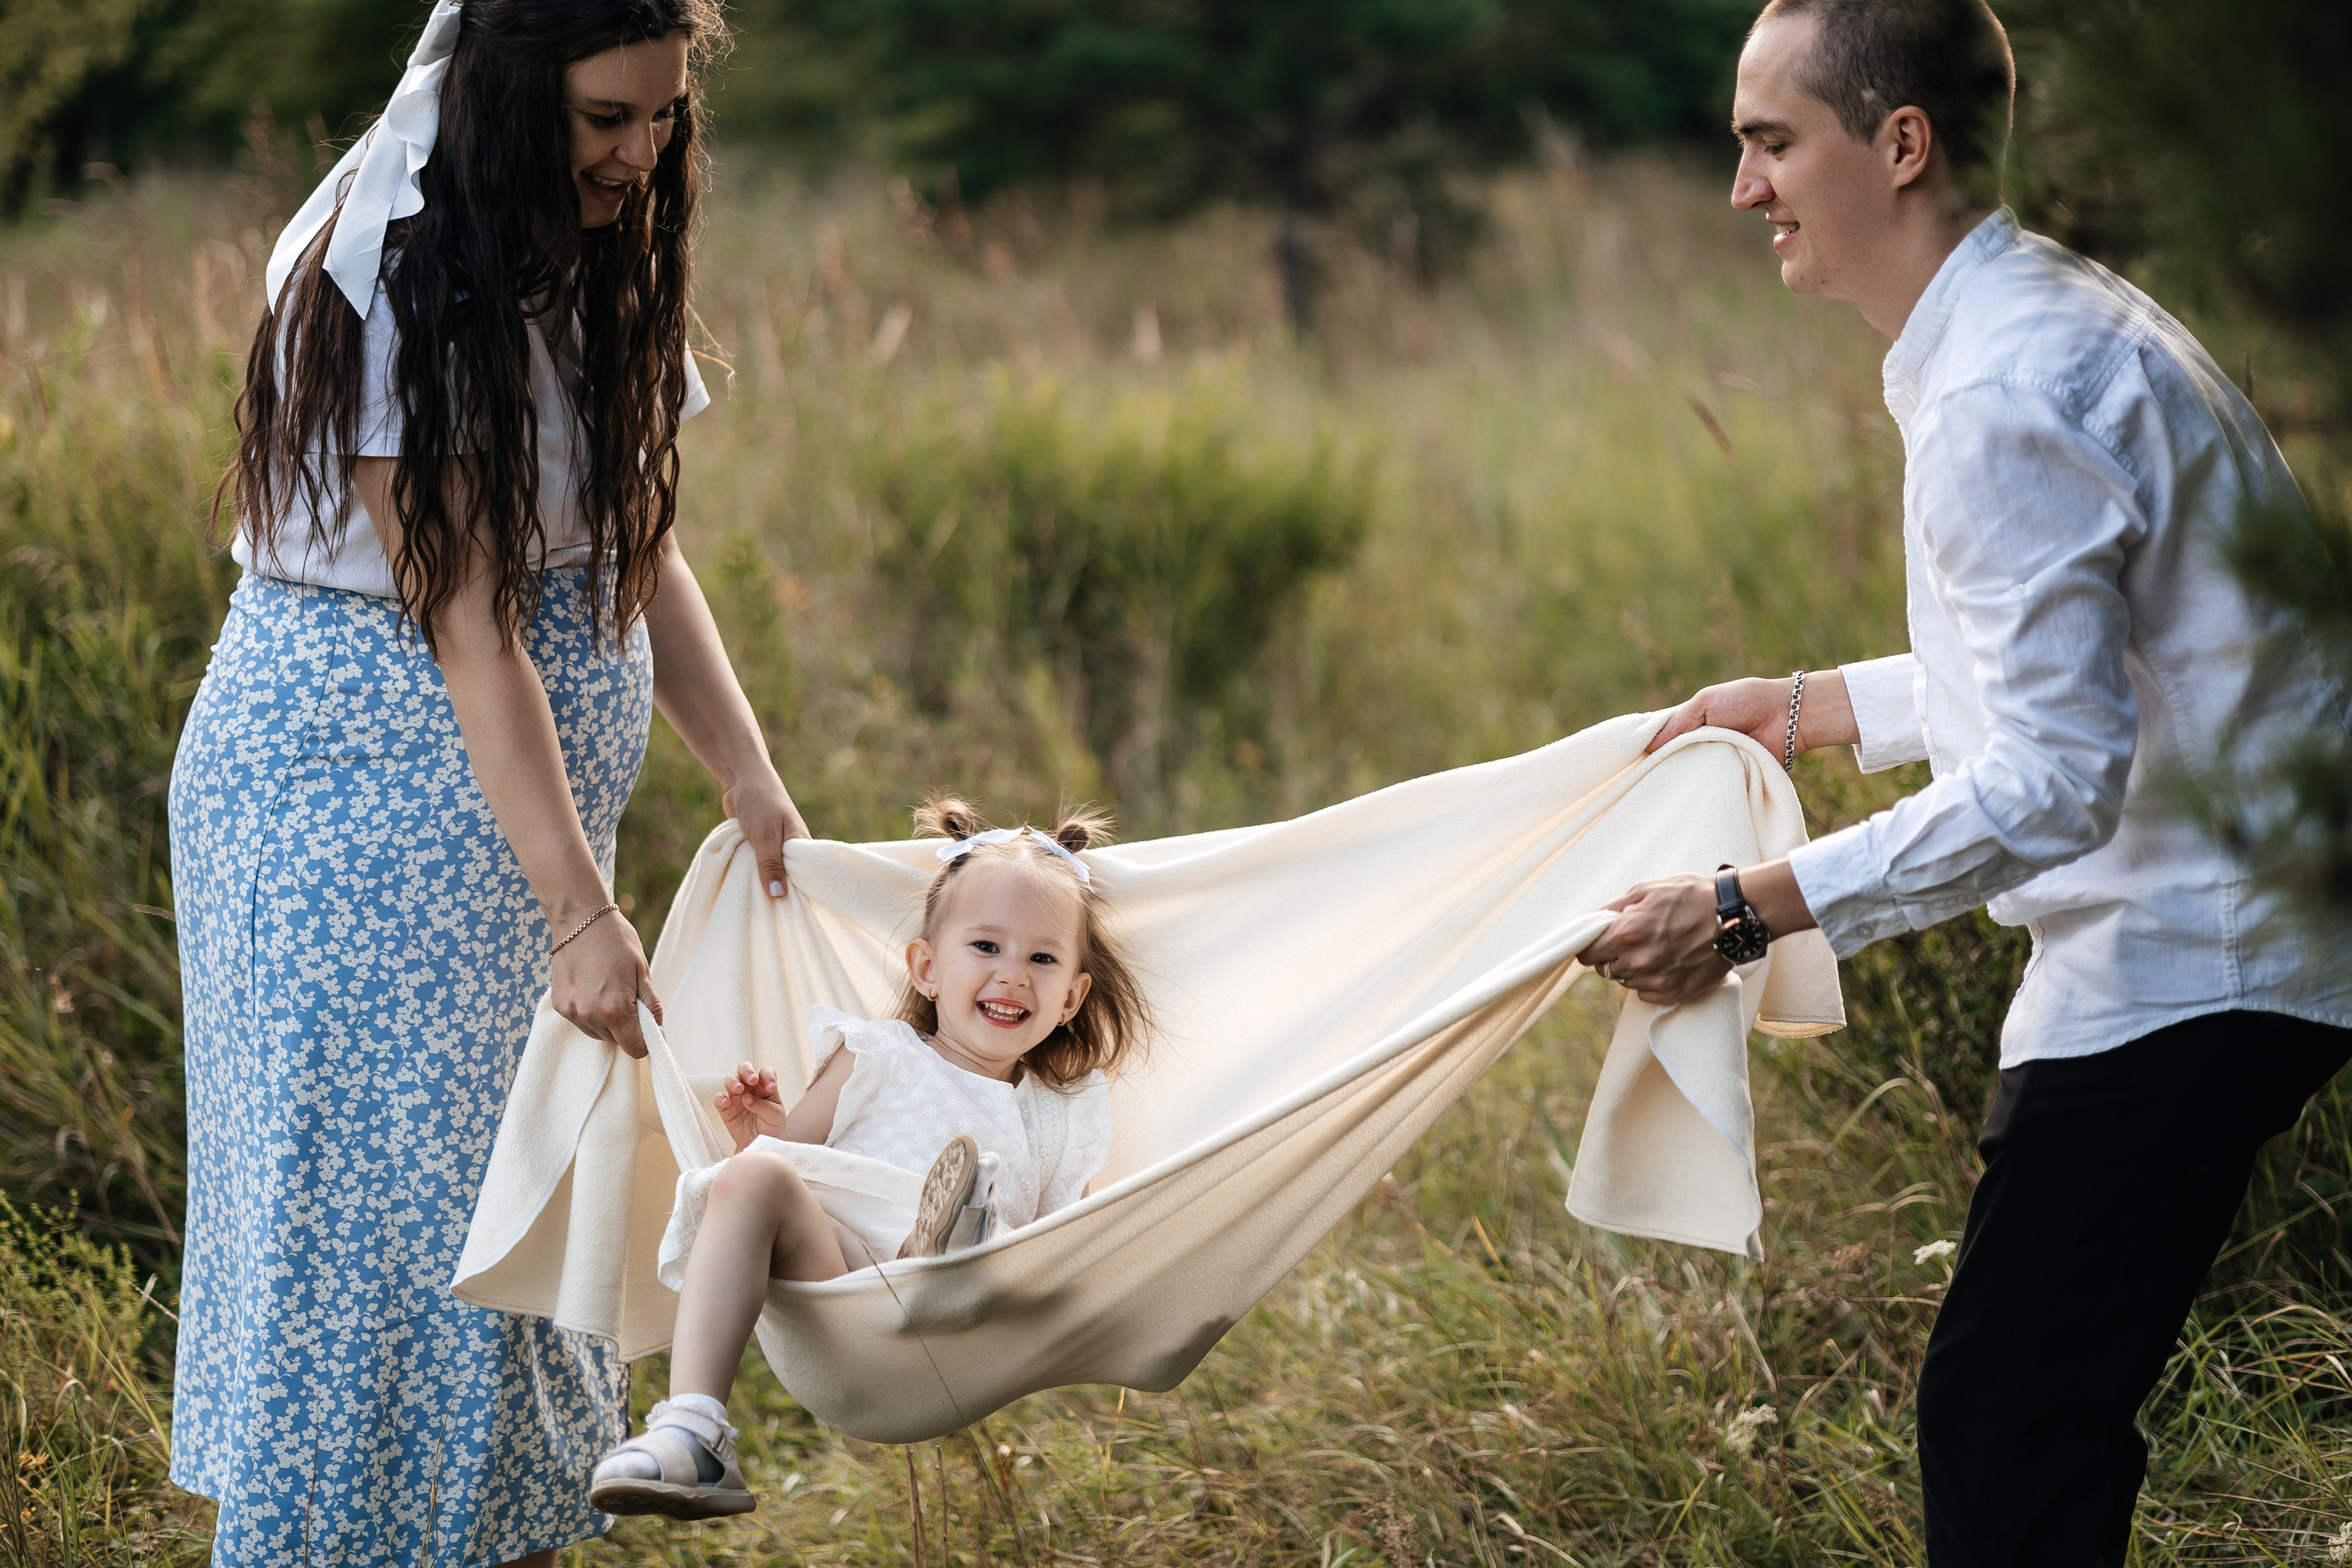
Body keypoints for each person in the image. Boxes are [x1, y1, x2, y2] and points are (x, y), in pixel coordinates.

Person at [1576, 0, 2352, 1562]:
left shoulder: (2005, 388)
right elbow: (2095, 662)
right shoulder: (2034, 322)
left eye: (1773, 142)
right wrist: (1803, 708)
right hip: (2234, 930)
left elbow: (2053, 780)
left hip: (2198, 955)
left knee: (2008, 1419)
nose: (1746, 192)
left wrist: (1744, 911)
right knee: (2025, 1407)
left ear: (1902, 144)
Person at [168, 3, 811, 1563]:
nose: (641, 154)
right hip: (344, 797)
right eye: (606, 119)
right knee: (403, 1228)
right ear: (509, 101)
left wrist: (748, 774)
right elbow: (471, 624)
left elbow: (634, 545)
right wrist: (584, 912)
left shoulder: (585, 236)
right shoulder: (384, 258)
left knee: (521, 1199)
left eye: (663, 118)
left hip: (500, 816)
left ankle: (499, 1539)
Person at [586, 798, 1151, 1520]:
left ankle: (949, 1250)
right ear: (926, 967)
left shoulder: (1057, 1109)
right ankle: (692, 1429)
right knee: (756, 1175)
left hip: (972, 1320)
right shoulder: (874, 1053)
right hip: (847, 1286)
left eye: (1042, 958)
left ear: (1071, 997)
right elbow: (797, 1167)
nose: (1013, 975)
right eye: (985, 947)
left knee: (986, 1221)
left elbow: (1063, 1246)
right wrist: (760, 1136)